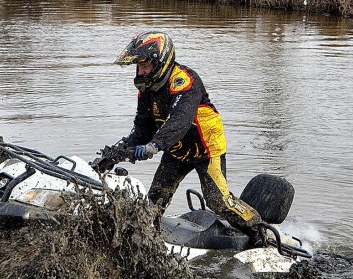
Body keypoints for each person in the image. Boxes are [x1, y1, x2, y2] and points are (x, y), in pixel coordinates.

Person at [112, 31, 261, 233]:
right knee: (155, 200)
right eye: (139, 67)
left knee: (218, 201)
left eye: (145, 66)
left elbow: (180, 120)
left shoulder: (185, 81)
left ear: (160, 63)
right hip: (176, 149)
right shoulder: (146, 90)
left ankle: (259, 229)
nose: (141, 72)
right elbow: (142, 128)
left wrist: (153, 146)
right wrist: (116, 153)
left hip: (206, 148)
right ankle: (149, 241)